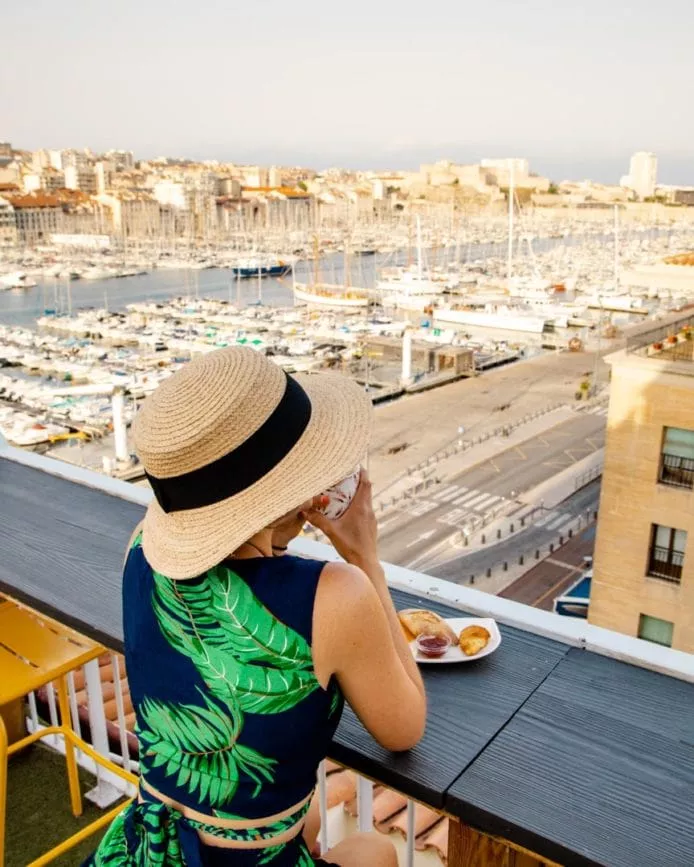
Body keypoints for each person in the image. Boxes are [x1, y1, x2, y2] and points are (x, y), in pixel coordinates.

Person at [84, 347, 426, 866]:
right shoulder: (334, 595)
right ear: (290, 491)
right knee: (375, 850)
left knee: (309, 818)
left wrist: (279, 527)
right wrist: (364, 557)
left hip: (152, 842)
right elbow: (404, 729)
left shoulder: (141, 548)